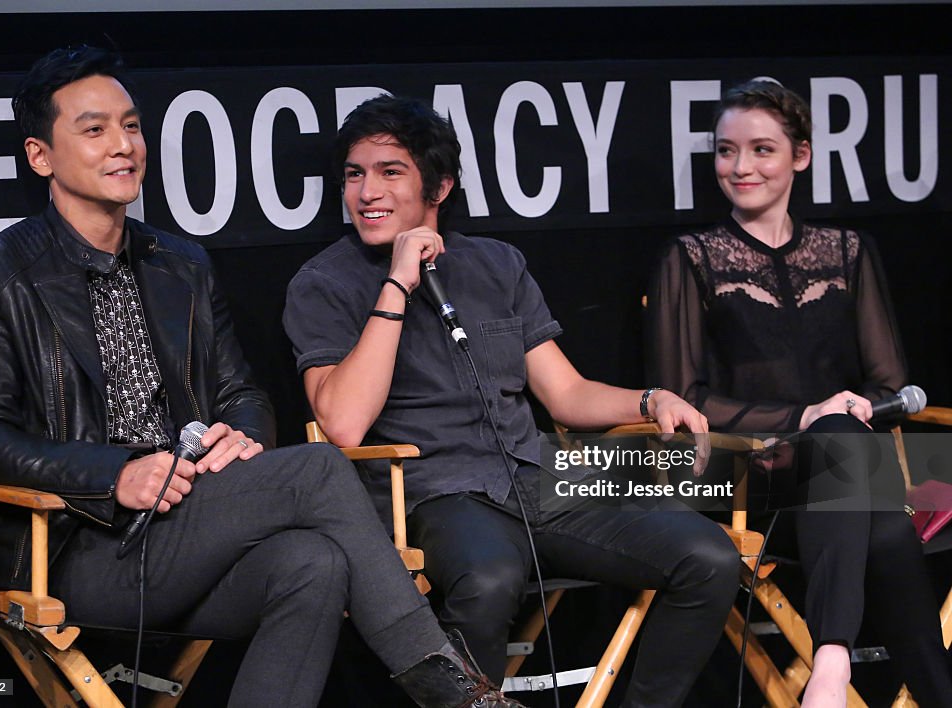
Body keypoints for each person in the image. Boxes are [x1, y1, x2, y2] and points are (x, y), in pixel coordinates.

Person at [0, 45, 523, 708]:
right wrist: (113, 472)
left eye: (131, 126)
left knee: (314, 564)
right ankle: (454, 694)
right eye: (94, 129)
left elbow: (240, 391)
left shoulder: (179, 264)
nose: (123, 145)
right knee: (320, 468)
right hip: (73, 544)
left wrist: (242, 436)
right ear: (41, 156)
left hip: (191, 521)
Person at [283, 94, 739, 707]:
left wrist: (651, 398)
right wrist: (396, 283)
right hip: (434, 492)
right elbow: (342, 423)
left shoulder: (497, 264)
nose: (367, 191)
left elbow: (567, 393)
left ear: (438, 186)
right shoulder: (323, 283)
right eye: (354, 175)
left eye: (390, 172)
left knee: (709, 556)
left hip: (538, 476)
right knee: (490, 580)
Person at [646, 79, 952, 707]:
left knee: (855, 468)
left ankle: (829, 665)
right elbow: (682, 396)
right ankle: (859, 672)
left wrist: (857, 408)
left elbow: (889, 382)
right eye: (726, 151)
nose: (741, 167)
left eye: (761, 149)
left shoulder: (848, 250)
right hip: (747, 478)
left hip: (854, 480)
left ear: (801, 157)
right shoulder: (692, 256)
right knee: (874, 506)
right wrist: (805, 414)